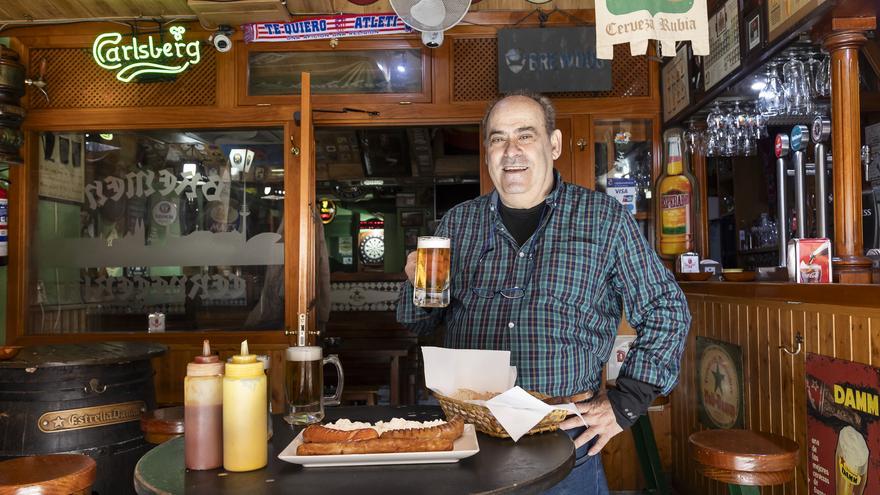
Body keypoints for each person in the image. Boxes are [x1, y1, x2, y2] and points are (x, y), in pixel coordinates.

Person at [396, 91, 690, 494]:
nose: (510, 150)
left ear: (553, 144)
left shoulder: (604, 220)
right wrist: (416, 286)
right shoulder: (457, 223)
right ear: (487, 152)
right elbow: (418, 321)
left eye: (525, 135)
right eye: (498, 138)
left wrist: (627, 401)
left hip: (564, 442)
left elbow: (666, 308)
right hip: (470, 441)